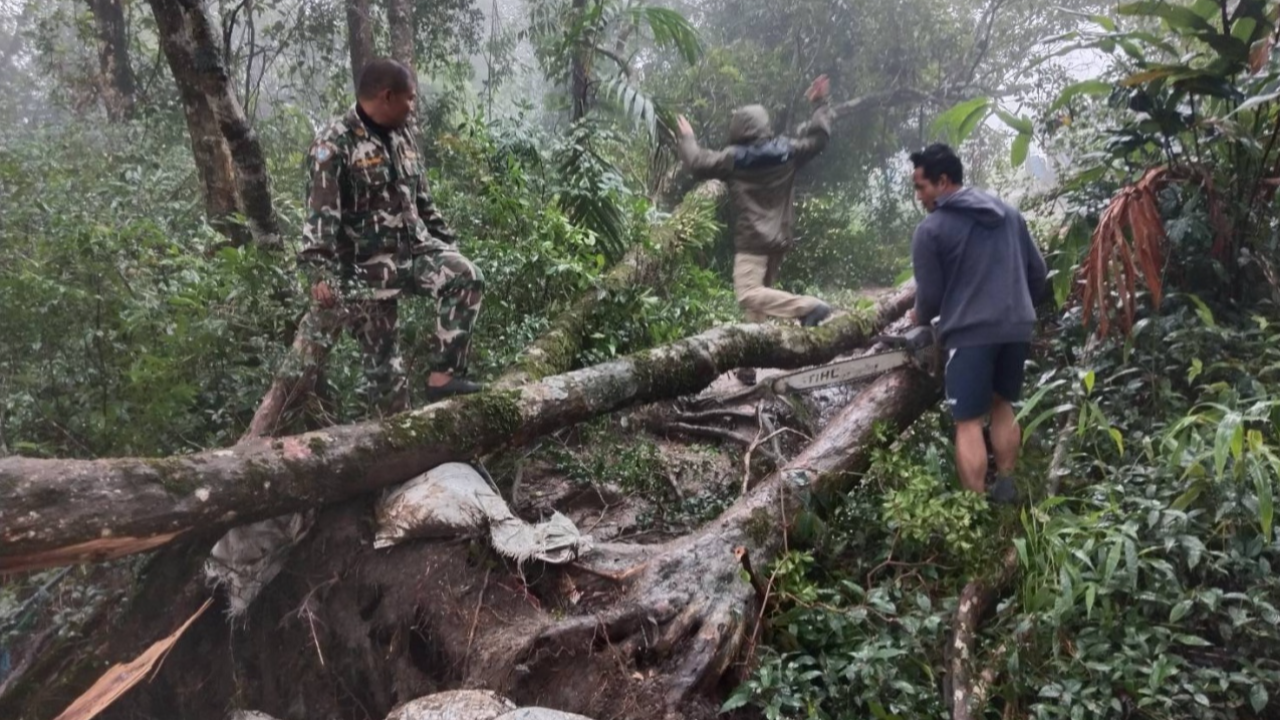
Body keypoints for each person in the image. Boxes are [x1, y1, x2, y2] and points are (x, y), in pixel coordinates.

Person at [298, 58, 485, 415]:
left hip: (415, 252)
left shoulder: (403, 135)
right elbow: (321, 214)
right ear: (387, 96)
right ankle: (402, 441)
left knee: (467, 276)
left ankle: (443, 379)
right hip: (365, 271)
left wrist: (448, 245)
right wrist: (318, 273)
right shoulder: (333, 144)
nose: (413, 106)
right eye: (409, 98)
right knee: (387, 380)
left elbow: (423, 202)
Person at [908, 143, 1047, 505]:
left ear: (942, 181)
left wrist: (918, 318)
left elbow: (930, 297)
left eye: (921, 187)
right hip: (1016, 326)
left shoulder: (931, 229)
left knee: (968, 420)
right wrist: (1016, 309)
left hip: (971, 334)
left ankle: (974, 505)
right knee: (1002, 403)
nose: (919, 196)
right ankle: (1007, 484)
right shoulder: (1009, 214)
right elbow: (1038, 273)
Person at [674, 75, 836, 385]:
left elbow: (696, 163)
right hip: (778, 240)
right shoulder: (789, 150)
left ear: (739, 130)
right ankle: (749, 366)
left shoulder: (733, 160)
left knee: (749, 295)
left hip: (752, 241)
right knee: (760, 302)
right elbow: (819, 139)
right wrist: (819, 104)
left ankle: (809, 307)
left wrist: (687, 137)